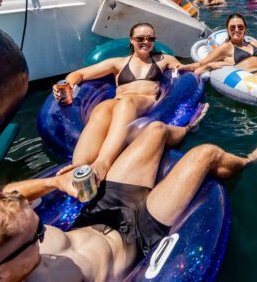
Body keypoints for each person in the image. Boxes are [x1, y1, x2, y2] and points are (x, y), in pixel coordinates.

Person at [0, 122, 257, 282]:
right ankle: (248, 160)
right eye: (37, 233)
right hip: (138, 234)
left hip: (99, 212)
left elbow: (7, 195)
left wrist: (56, 181)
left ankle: (188, 126)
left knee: (155, 129)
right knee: (205, 155)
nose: (43, 232)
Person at [55, 23, 185, 182]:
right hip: (120, 102)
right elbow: (80, 74)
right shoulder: (118, 63)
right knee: (102, 108)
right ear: (131, 40)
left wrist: (207, 64)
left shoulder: (164, 59)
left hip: (146, 101)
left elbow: (184, 71)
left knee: (126, 102)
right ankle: (80, 166)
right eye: (140, 38)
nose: (146, 42)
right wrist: (68, 85)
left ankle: (103, 163)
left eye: (150, 38)